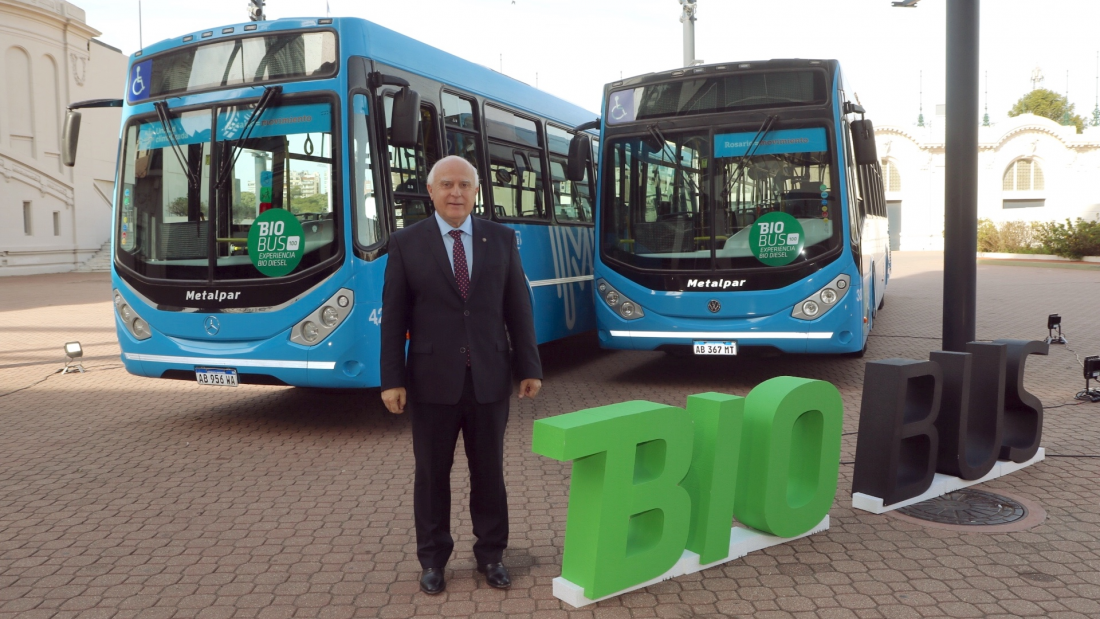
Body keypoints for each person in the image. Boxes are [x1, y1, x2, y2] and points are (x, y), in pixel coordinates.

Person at [379, 155, 543, 595]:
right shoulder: (406, 242)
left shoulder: (501, 239)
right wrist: (391, 378)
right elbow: (394, 317)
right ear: (430, 192)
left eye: (465, 185)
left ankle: (492, 555)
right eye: (447, 184)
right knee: (432, 474)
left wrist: (529, 366)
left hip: (489, 377)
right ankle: (433, 560)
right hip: (431, 381)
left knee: (489, 472)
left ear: (476, 192)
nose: (456, 192)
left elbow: (518, 307)